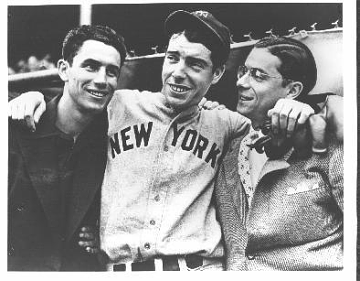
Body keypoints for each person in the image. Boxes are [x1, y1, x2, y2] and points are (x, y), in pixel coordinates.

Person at [8, 10, 334, 271]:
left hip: (197, 269)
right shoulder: (120, 104)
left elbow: (285, 124)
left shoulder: (230, 125)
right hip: (119, 270)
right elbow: (77, 97)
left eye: (195, 64)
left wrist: (320, 104)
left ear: (217, 74)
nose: (179, 71)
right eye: (173, 57)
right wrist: (32, 95)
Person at [215, 36, 343, 270]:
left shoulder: (328, 140)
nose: (241, 82)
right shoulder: (227, 145)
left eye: (258, 75)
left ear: (292, 90)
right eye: (243, 71)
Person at [8, 24, 127, 271]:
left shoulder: (113, 137)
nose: (101, 80)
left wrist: (106, 229)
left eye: (111, 71)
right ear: (64, 69)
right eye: (91, 66)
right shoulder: (16, 124)